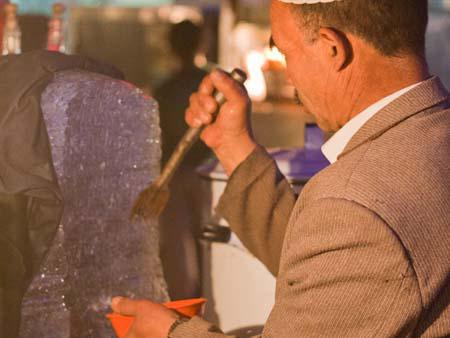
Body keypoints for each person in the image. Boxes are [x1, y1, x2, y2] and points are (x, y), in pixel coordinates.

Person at [111, 0, 450, 337]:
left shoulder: (354, 204)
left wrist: (169, 333)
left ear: (333, 48)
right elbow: (339, 265)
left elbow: (356, 235)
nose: (289, 75)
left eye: (285, 51)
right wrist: (234, 145)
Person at [153, 20, 211, 300]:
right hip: (206, 174)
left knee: (178, 248)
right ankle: (207, 299)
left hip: (176, 174)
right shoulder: (208, 85)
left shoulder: (165, 89)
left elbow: (158, 138)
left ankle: (184, 304)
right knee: (208, 240)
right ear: (201, 44)